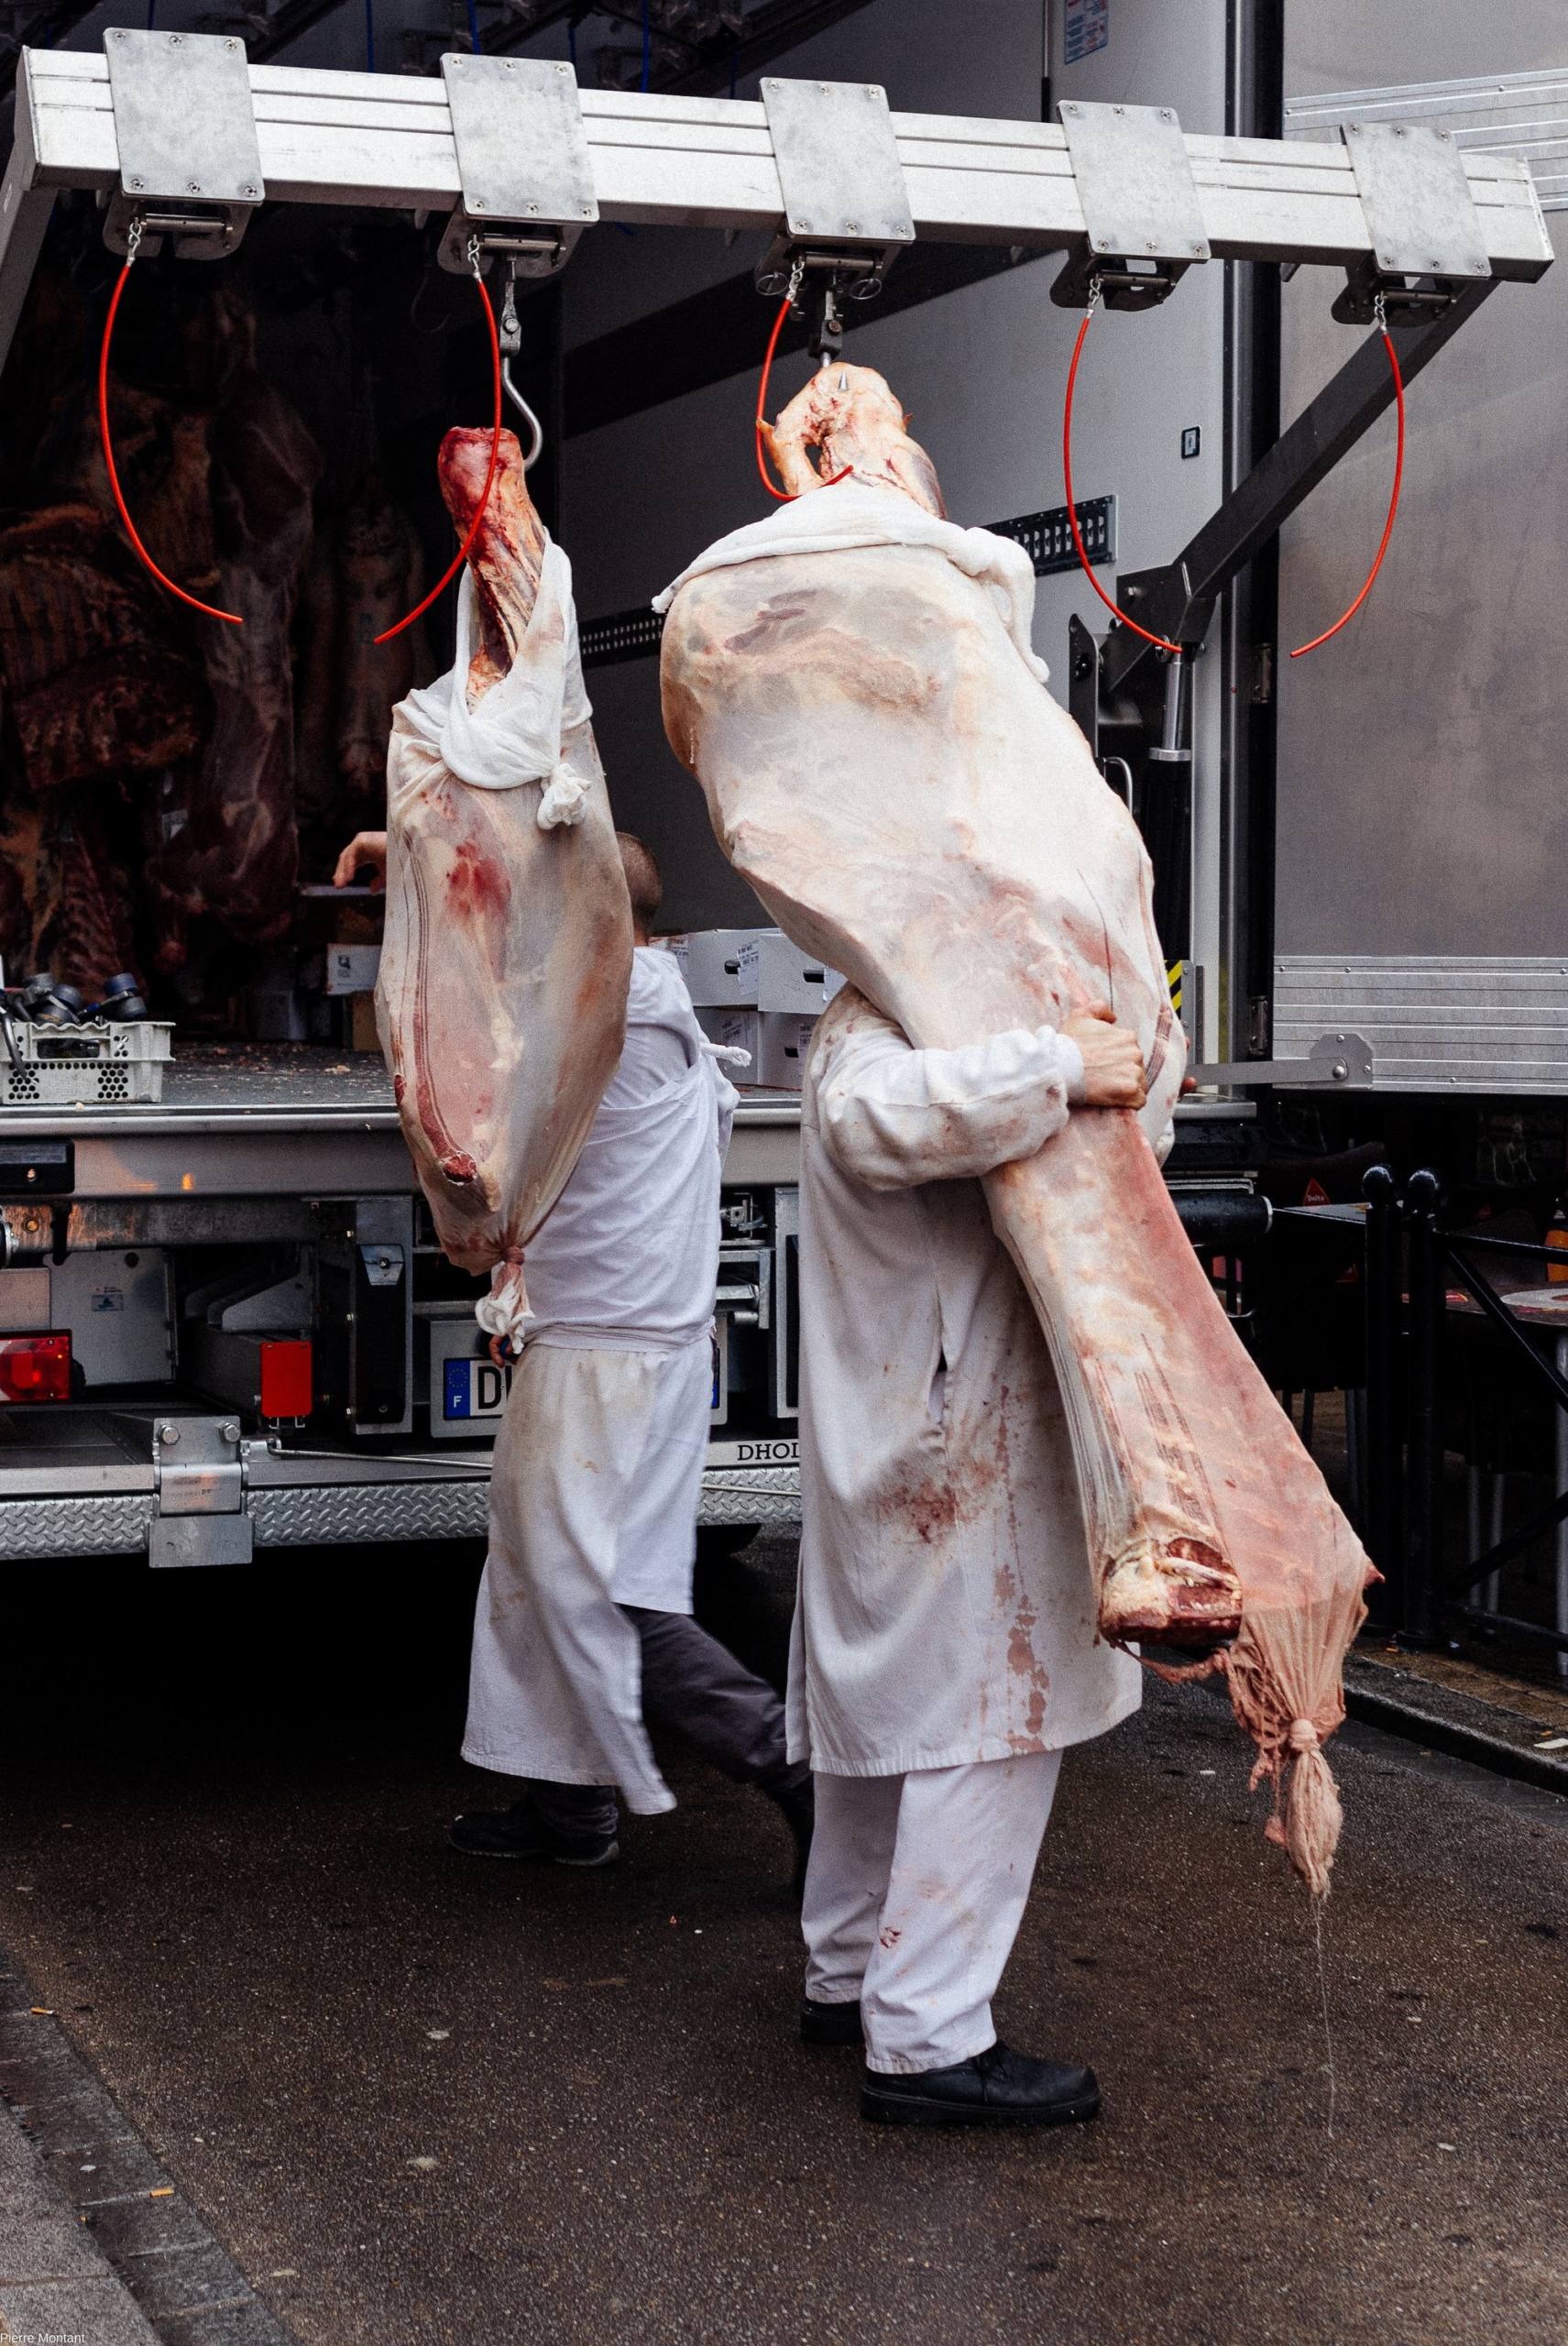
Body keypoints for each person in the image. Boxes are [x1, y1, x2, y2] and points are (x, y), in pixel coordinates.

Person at [333, 826, 812, 1882]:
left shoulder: (608, 1014)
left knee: (605, 1599)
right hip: (627, 1348)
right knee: (535, 1578)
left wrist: (419, 869)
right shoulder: (652, 992)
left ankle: (789, 1769)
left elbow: (458, 1031)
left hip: (608, 1361)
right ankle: (567, 1810)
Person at [789, 985, 1153, 2126]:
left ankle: (848, 1968)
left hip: (918, 1423)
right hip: (951, 1433)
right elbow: (874, 1118)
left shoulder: (899, 1010)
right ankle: (928, 2034)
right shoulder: (884, 1024)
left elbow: (1143, 1109)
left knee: (890, 1709)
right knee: (992, 1715)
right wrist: (1057, 1066)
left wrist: (1108, 1055)